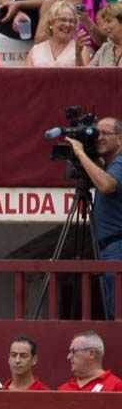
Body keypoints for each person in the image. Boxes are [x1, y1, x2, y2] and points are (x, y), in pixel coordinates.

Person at [67, 116, 122, 313]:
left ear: (120, 139)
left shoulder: (120, 163)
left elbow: (107, 185)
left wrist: (81, 154)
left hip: (117, 247)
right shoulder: (110, 165)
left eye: (105, 134)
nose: (99, 138)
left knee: (117, 313)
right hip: (111, 248)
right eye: (97, 134)